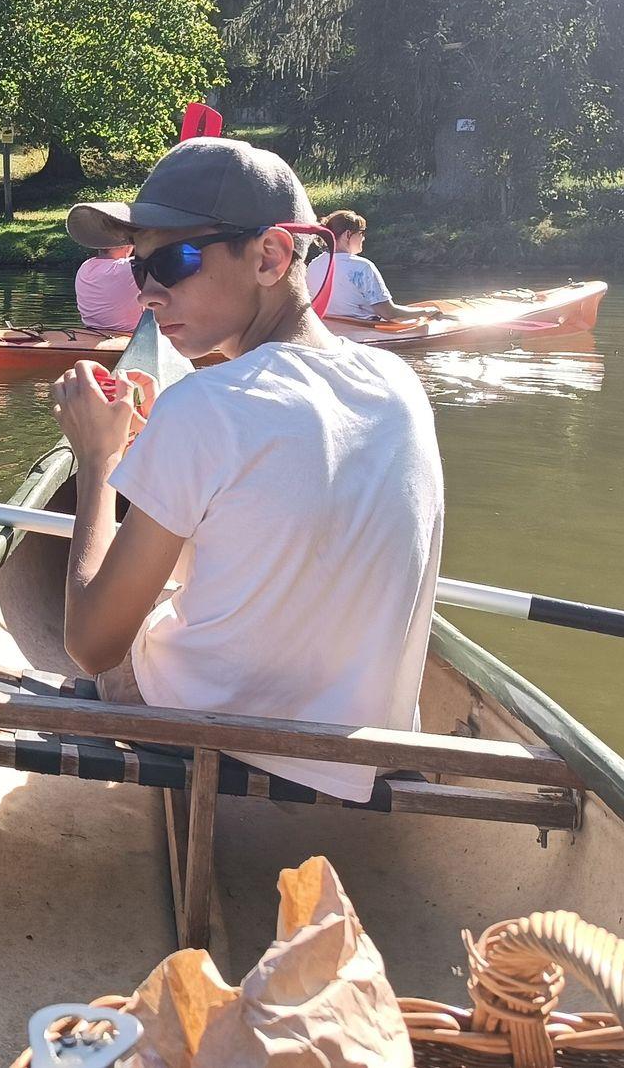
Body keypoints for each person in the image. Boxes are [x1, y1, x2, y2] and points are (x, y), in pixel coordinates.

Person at [49, 139, 444, 802]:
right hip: (364, 745)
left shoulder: (204, 405)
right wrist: (163, 449)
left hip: (210, 727)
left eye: (171, 261)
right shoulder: (400, 383)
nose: (146, 293)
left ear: (270, 256)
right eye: (138, 267)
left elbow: (91, 644)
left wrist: (98, 458)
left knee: (121, 629)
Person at [304, 210, 443, 323]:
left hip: (329, 328)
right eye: (361, 233)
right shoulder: (362, 267)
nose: (364, 238)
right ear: (348, 234)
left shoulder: (314, 264)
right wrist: (426, 311)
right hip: (364, 329)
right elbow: (389, 313)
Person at [74, 245, 144, 334]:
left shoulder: (85, 266)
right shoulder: (131, 267)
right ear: (125, 246)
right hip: (131, 332)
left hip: (92, 330)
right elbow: (153, 257)